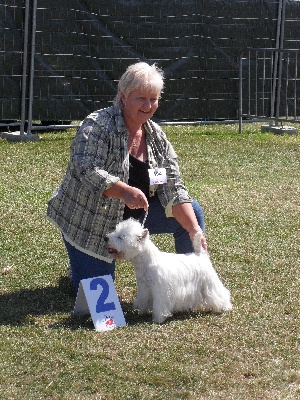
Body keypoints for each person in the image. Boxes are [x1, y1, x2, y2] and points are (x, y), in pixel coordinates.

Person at [47, 62, 207, 294]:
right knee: (95, 297)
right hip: (91, 221)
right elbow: (85, 169)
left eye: (153, 98)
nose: (148, 105)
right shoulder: (98, 125)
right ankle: (81, 263)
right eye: (140, 98)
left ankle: (189, 280)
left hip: (135, 221)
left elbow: (174, 187)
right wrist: (124, 190)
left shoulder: (157, 138)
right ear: (123, 96)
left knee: (192, 212)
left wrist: (194, 231)